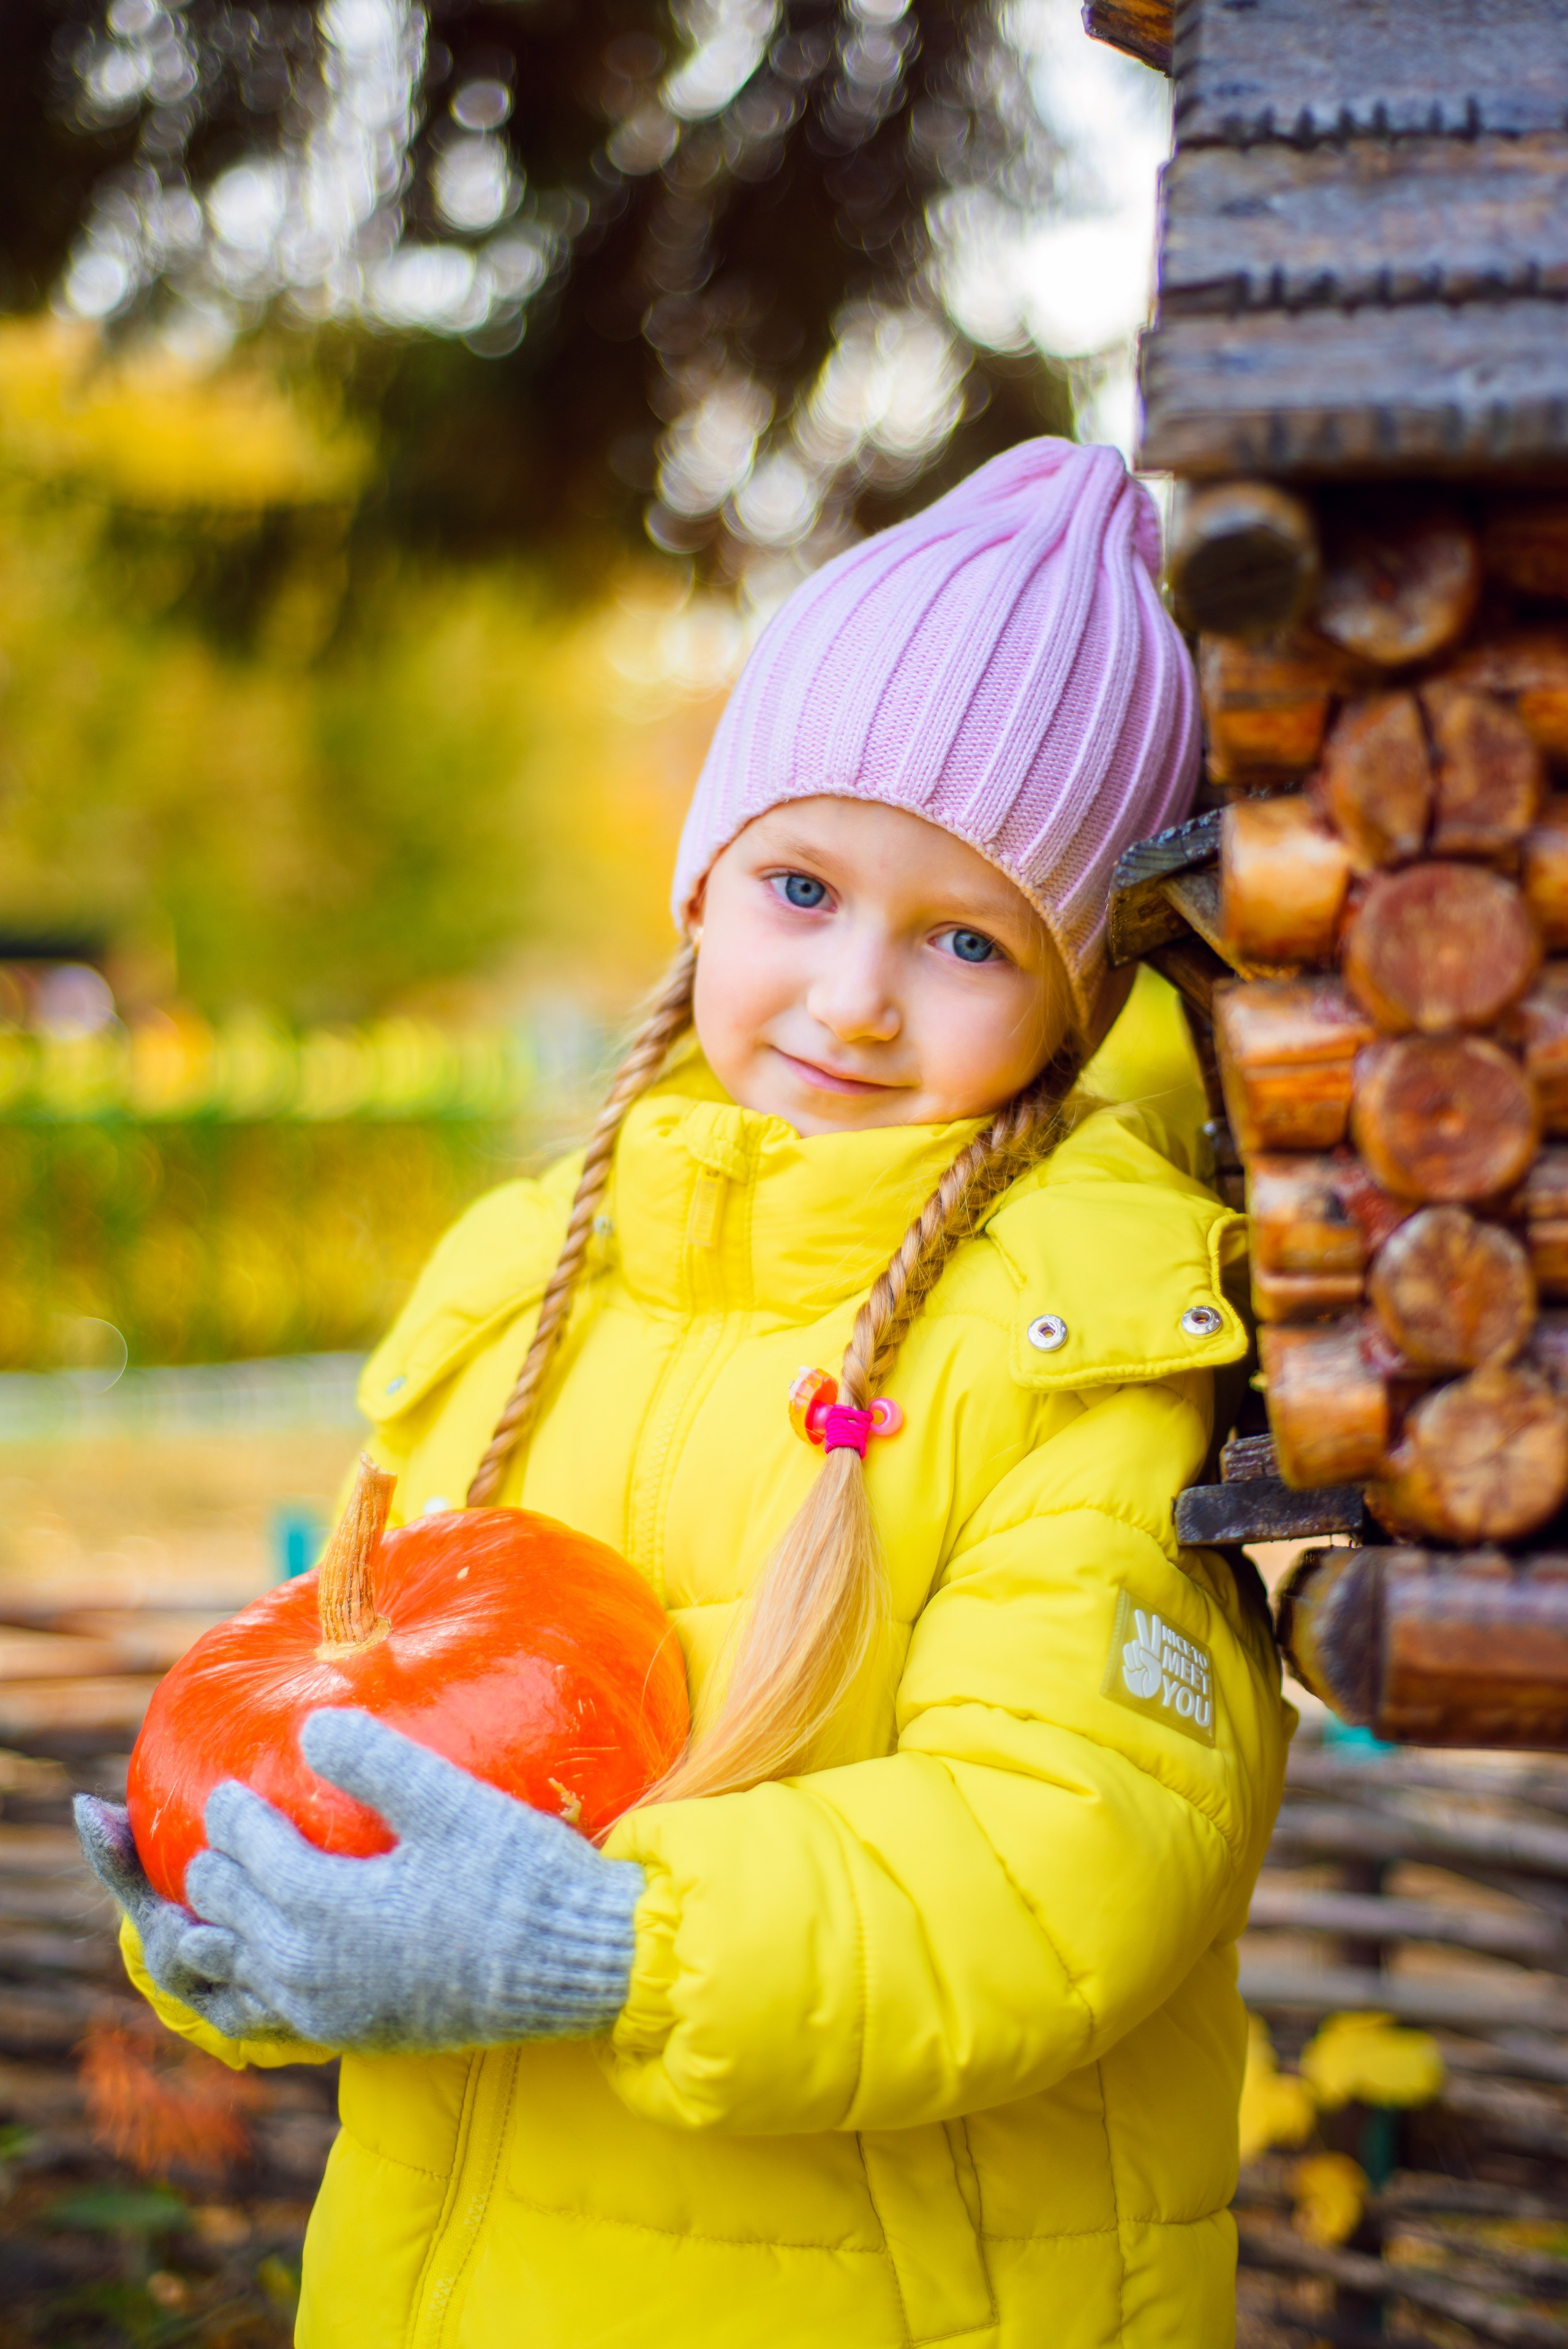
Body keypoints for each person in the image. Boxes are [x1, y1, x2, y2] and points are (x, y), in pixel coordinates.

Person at [79, 438, 1291, 2349]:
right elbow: (366, 1697)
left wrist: (600, 1945)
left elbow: (1071, 1855)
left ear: (1078, 990)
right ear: (706, 878)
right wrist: (246, 1902)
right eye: (802, 886)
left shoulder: (1088, 1334)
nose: (856, 995)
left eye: (967, 937)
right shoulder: (520, 1282)